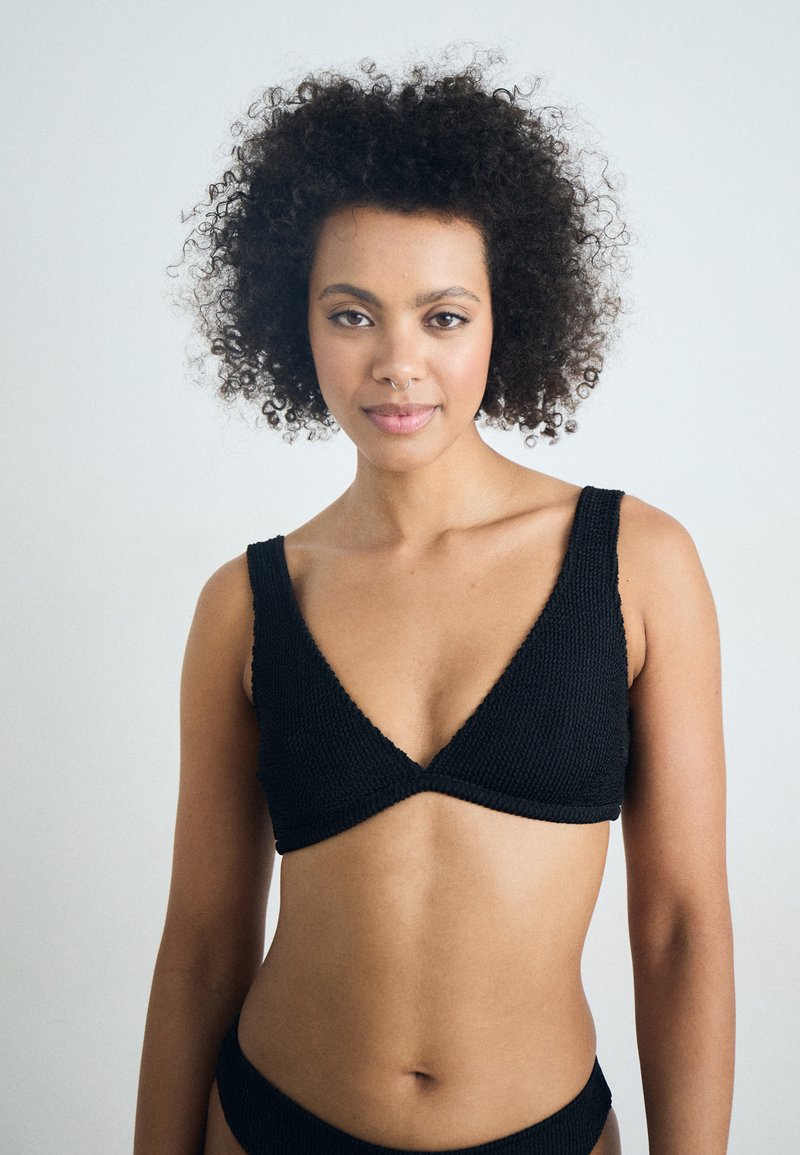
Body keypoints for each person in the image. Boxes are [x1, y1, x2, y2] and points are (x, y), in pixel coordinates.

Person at [134, 57, 735, 1155]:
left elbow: (680, 931)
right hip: (269, 1125)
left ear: (508, 317)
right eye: (352, 314)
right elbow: (203, 949)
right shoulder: (248, 603)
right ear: (295, 323)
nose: (396, 363)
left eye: (443, 317)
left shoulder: (635, 565)